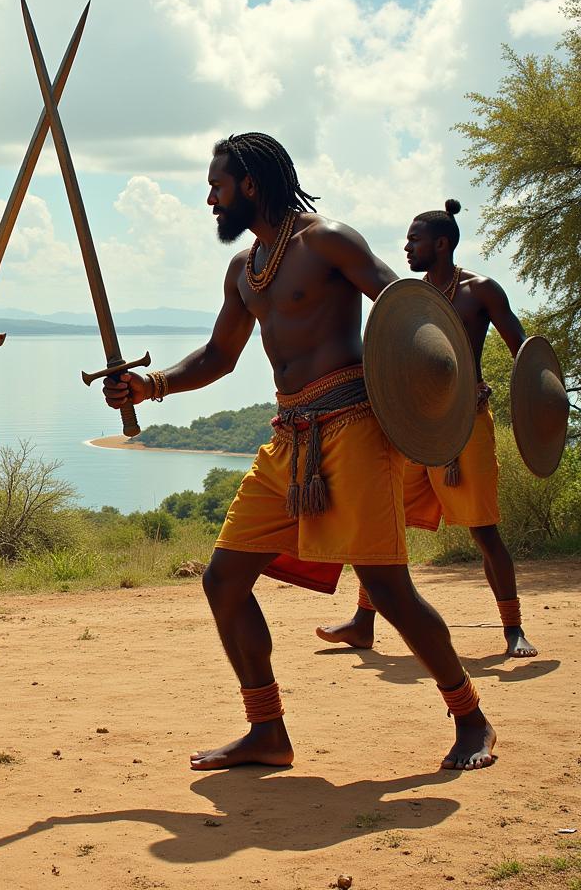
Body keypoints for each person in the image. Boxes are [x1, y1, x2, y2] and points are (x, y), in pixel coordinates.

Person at [102, 133, 497, 772]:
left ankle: (471, 715)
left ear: (250, 186)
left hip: (355, 429)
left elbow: (407, 311)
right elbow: (218, 357)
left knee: (388, 589)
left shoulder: (326, 240)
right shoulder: (245, 270)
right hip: (290, 439)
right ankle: (267, 731)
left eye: (218, 185)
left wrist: (431, 395)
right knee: (224, 580)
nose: (209, 198)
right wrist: (153, 385)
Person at [315, 199, 535, 657]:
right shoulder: (409, 299)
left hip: (467, 426)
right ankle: (362, 622)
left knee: (484, 532)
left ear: (441, 243)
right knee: (382, 519)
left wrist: (524, 406)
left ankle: (513, 628)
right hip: (414, 428)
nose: (406, 247)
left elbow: (526, 356)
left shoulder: (482, 291)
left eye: (414, 240)